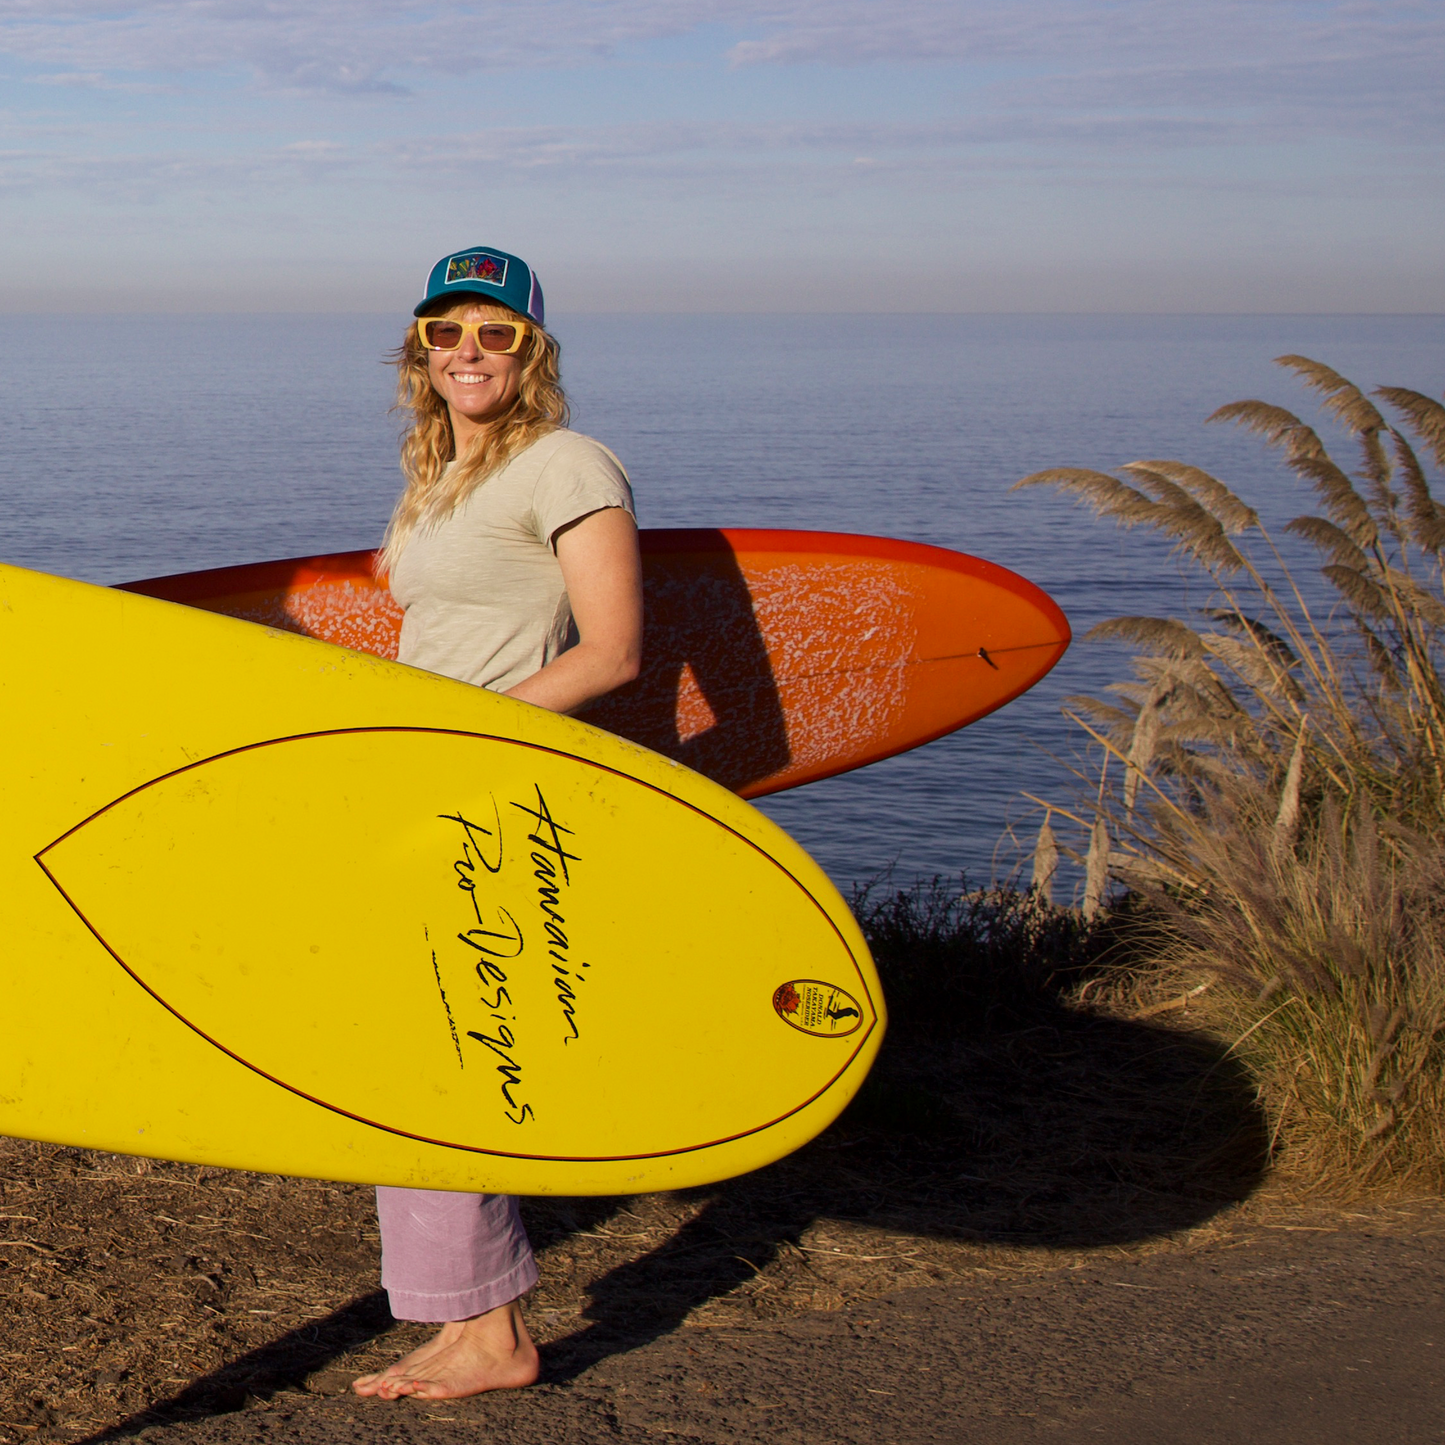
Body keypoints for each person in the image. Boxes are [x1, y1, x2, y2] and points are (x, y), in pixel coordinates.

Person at [350, 245, 643, 1401]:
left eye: (495, 333)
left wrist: (463, 733)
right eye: (447, 332)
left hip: (494, 782)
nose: (469, 351)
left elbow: (612, 652)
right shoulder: (438, 474)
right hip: (426, 775)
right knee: (405, 1049)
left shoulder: (567, 463)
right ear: (422, 353)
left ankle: (496, 1330)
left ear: (533, 351)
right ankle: (462, 1317)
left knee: (456, 1049)